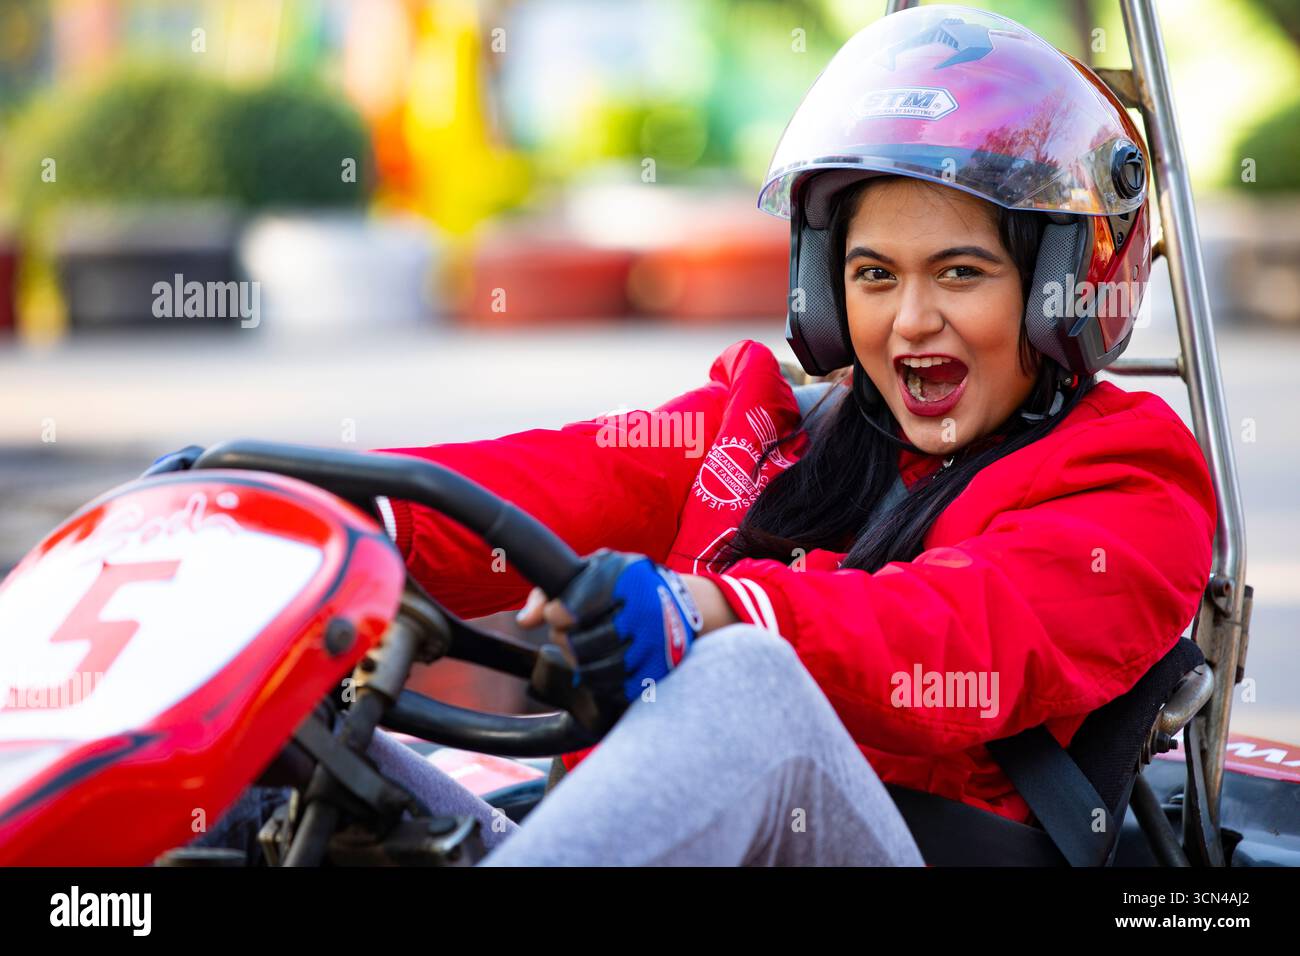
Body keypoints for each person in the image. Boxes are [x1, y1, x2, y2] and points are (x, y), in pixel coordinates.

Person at [199, 5, 1217, 865]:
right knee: (257, 718)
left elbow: (952, 633)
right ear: (826, 290)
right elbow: (546, 480)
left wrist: (719, 609)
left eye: (959, 272)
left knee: (750, 679)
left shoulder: (1131, 481)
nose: (909, 319)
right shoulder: (770, 426)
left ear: (1058, 291)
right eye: (873, 275)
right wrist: (303, 510)